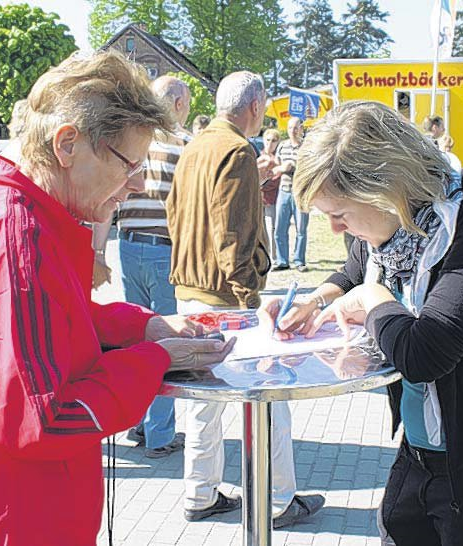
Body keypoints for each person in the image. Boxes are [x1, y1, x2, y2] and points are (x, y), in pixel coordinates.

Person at [0, 51, 234, 546]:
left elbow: (51, 320)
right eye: (130, 165)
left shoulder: (27, 217)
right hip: (17, 520)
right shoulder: (16, 234)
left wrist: (144, 328)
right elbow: (43, 419)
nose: (138, 184)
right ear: (68, 145)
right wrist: (154, 359)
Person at [260, 100, 463, 546]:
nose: (337, 230)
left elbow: (426, 352)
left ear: (388, 188)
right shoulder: (394, 229)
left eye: (340, 214)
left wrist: (375, 299)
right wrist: (318, 298)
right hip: (423, 455)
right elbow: (356, 268)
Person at [167, 71, 324, 526]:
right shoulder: (235, 149)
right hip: (224, 296)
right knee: (268, 398)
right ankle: (277, 501)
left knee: (203, 405)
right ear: (254, 107)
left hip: (191, 291)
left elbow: (179, 216)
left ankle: (199, 494)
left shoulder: (196, 145)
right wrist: (248, 298)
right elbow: (229, 232)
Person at [92, 75, 192, 459]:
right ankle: (160, 433)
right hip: (165, 250)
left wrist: (99, 254)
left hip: (129, 248)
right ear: (179, 105)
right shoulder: (184, 147)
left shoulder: (131, 144)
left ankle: (138, 418)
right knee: (167, 339)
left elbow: (108, 205)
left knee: (134, 336)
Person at [273, 116, 309, 272]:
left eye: (295, 128)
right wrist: (282, 168)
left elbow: (308, 168)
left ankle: (299, 260)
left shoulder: (306, 147)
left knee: (301, 229)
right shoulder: (282, 146)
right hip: (284, 191)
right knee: (280, 228)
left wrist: (292, 166)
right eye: (289, 128)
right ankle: (282, 261)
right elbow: (277, 165)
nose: (292, 131)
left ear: (301, 129)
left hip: (300, 193)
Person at [257, 128, 281, 260]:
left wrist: (261, 186)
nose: (270, 143)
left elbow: (276, 179)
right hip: (258, 198)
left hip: (271, 198)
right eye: (268, 140)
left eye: (273, 141)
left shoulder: (277, 159)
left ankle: (273, 255)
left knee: (272, 228)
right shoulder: (258, 156)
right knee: (259, 228)